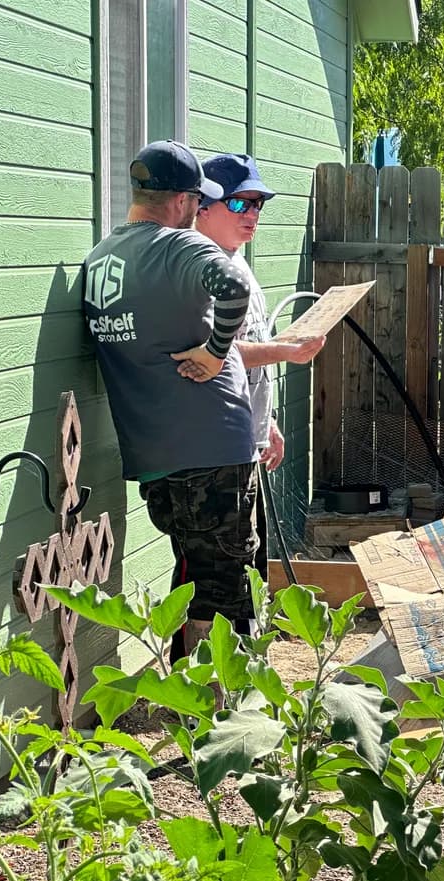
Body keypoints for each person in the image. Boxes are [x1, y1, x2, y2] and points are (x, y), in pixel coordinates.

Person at [82, 140, 260, 655]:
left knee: (190, 572)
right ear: (183, 201)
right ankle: (212, 707)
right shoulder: (179, 247)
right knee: (222, 582)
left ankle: (195, 696)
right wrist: (213, 352)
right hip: (211, 447)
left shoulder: (100, 260)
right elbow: (232, 286)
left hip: (155, 453)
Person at [175, 153, 325, 612]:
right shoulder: (198, 268)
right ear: (202, 206)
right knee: (210, 584)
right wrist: (285, 351)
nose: (253, 215)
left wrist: (268, 422)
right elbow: (212, 354)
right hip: (208, 454)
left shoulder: (237, 265)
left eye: (259, 205)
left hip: (243, 445)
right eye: (241, 204)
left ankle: (238, 674)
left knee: (246, 572)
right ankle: (198, 680)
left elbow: (245, 354)